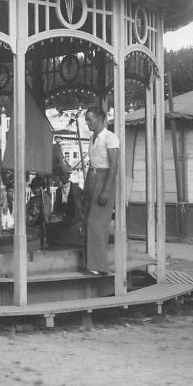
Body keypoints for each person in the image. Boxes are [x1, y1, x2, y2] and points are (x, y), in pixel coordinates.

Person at [84, 106, 119, 276]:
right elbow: (92, 163)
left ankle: (99, 265)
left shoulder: (110, 138)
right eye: (86, 120)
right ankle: (93, 263)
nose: (87, 123)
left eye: (90, 120)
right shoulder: (93, 139)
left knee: (97, 223)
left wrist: (106, 189)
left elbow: (114, 166)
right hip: (92, 177)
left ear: (99, 119)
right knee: (89, 222)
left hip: (104, 179)